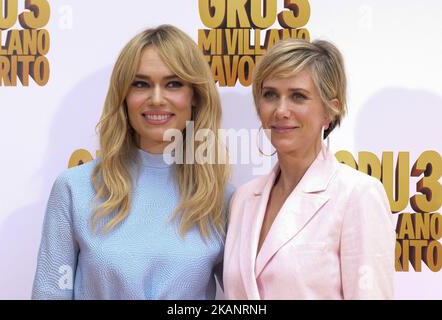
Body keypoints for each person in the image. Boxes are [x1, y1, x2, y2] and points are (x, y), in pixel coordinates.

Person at [32, 25, 232, 299]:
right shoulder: (74, 189)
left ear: (195, 96)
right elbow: (50, 292)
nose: (157, 99)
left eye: (173, 84)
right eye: (141, 84)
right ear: (124, 97)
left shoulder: (223, 200)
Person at [223, 39, 395, 299]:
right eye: (270, 94)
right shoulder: (243, 198)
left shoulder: (358, 195)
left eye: (298, 96)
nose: (281, 110)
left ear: (330, 110)